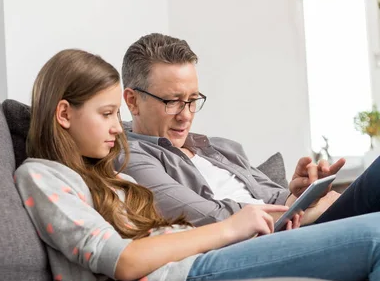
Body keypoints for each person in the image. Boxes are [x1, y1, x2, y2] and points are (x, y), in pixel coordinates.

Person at [15, 49, 380, 281]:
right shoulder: (43, 175)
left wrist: (289, 202)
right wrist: (229, 229)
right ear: (64, 114)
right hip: (186, 274)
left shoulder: (108, 177)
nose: (117, 127)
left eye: (115, 115)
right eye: (106, 114)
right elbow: (123, 260)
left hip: (218, 255)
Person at [120, 33, 380, 228]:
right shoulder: (131, 156)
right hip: (273, 239)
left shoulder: (218, 148)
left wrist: (301, 194)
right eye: (172, 101)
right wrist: (309, 212)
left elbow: (276, 197)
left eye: (192, 100)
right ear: (132, 101)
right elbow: (211, 218)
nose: (186, 114)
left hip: (297, 225)